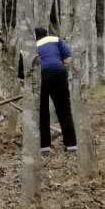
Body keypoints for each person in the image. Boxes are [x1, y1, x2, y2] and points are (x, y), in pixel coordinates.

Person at [33, 26, 79, 154]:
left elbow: (23, 71)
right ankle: (71, 145)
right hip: (59, 72)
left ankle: (44, 147)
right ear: (46, 33)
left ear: (34, 36)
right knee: (64, 109)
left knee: (42, 111)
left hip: (41, 75)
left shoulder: (31, 45)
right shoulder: (56, 39)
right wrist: (60, 69)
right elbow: (68, 58)